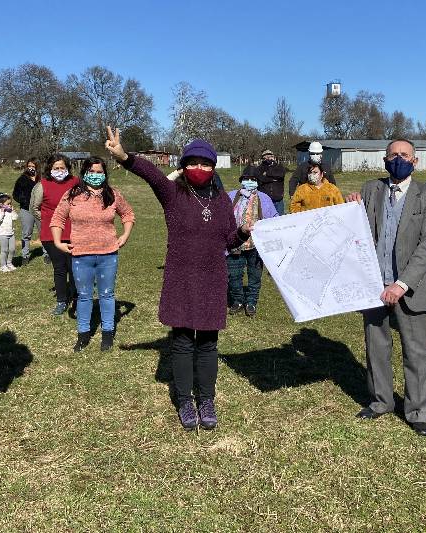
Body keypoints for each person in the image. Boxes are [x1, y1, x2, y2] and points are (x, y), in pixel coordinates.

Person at [104, 127, 251, 431]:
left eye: (206, 163)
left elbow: (227, 240)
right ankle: (185, 401)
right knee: (183, 342)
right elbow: (151, 174)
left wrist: (242, 233)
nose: (199, 169)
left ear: (214, 167)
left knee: (208, 343)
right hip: (181, 277)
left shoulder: (223, 200)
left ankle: (206, 399)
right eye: (193, 163)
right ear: (184, 166)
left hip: (212, 278)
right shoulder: (173, 194)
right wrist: (124, 156)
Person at [347, 139, 426, 437]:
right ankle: (380, 401)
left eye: (405, 155)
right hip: (373, 285)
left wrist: (401, 285)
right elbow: (355, 230)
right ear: (384, 159)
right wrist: (351, 209)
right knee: (376, 348)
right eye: (393, 155)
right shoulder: (370, 189)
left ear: (415, 162)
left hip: (411, 288)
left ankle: (419, 411)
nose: (398, 159)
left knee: (416, 352)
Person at [50, 156, 135, 352]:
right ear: (85, 173)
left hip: (108, 255)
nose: (95, 175)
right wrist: (57, 242)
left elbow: (128, 214)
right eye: (92, 171)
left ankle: (107, 333)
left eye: (99, 172)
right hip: (81, 255)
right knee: (84, 296)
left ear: (104, 174)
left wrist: (125, 235)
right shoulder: (72, 195)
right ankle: (83, 334)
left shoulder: (112, 194)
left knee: (107, 295)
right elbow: (58, 218)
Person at [31, 154, 79, 316]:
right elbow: (35, 208)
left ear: (67, 169)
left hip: (74, 232)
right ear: (50, 169)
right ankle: (61, 300)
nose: (59, 171)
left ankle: (77, 298)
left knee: (75, 268)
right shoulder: (41, 185)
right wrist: (50, 220)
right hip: (51, 235)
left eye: (62, 168)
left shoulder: (76, 183)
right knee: (59, 268)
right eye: (56, 168)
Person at [227, 165, 278, 317]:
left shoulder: (264, 198)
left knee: (254, 276)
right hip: (235, 244)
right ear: (241, 180)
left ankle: (251, 302)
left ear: (258, 182)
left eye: (253, 179)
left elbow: (274, 218)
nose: (249, 181)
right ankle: (237, 301)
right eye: (246, 178)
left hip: (256, 246)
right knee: (234, 276)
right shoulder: (231, 196)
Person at [12, 157, 40, 265]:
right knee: (26, 233)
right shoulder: (22, 179)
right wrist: (23, 200)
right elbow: (15, 194)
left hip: (40, 210)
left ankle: (47, 254)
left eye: (33, 166)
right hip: (26, 210)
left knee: (44, 233)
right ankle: (25, 255)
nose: (31, 168)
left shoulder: (42, 179)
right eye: (29, 166)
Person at [256, 149, 288, 216]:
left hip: (278, 200)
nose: (268, 158)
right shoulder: (259, 168)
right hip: (265, 200)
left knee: (280, 219)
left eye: (269, 156)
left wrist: (267, 173)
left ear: (273, 157)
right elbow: (260, 179)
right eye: (265, 157)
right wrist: (273, 179)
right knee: (266, 219)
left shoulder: (279, 166)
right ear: (263, 158)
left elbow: (280, 175)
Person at [0, 192, 18, 272]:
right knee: (4, 250)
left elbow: (15, 218)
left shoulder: (10, 211)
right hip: (2, 234)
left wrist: (13, 211)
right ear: (1, 204)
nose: (10, 205)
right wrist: (2, 212)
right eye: (8, 204)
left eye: (10, 204)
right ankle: (3, 265)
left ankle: (9, 263)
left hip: (11, 233)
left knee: (12, 249)